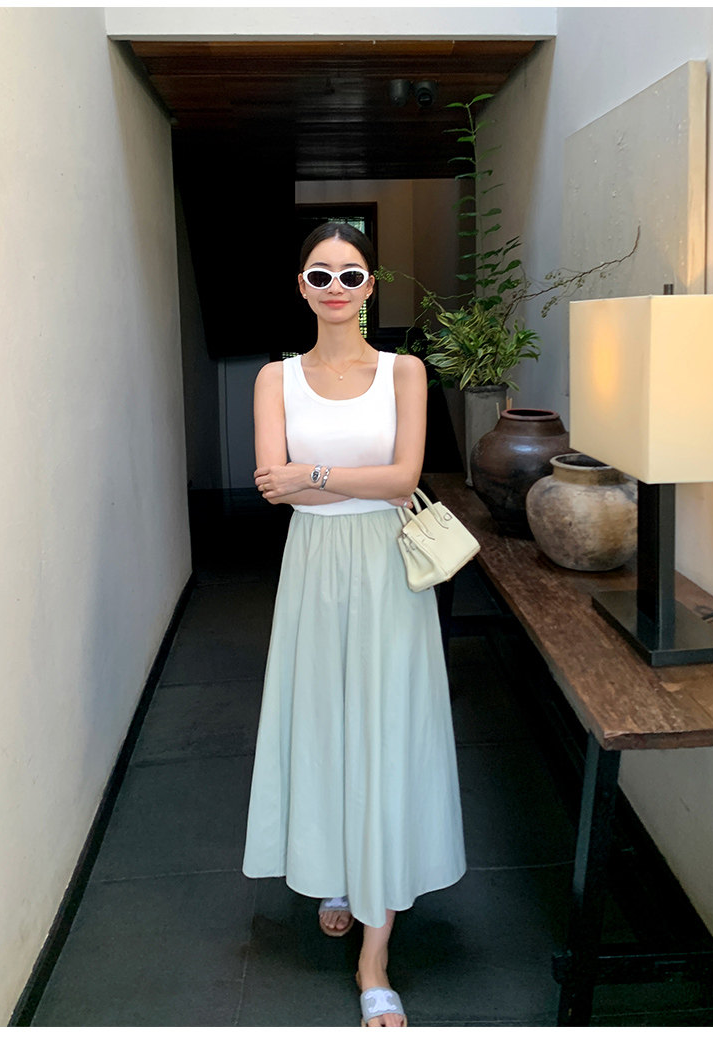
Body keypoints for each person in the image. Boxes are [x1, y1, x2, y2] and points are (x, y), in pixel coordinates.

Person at [242, 222, 465, 1027]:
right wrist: (324, 481)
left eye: (349, 274)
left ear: (371, 285)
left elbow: (404, 478)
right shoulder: (276, 378)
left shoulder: (405, 372)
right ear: (300, 286)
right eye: (319, 275)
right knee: (323, 723)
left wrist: (315, 473)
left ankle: (375, 956)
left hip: (386, 568)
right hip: (313, 567)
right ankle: (336, 869)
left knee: (384, 731)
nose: (334, 288)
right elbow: (274, 488)